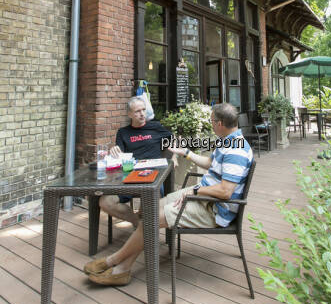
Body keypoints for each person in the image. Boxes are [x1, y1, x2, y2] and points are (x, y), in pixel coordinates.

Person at [84, 102, 253, 286]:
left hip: (214, 208)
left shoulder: (236, 150)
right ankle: (122, 269)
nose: (210, 124)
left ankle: (114, 263)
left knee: (151, 218)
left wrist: (196, 190)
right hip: (205, 197)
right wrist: (186, 153)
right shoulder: (229, 140)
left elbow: (225, 192)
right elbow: (210, 163)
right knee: (149, 211)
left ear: (220, 124)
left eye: (212, 121)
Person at [99, 96, 173, 227]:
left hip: (153, 178)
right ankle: (138, 223)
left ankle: (143, 226)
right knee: (105, 202)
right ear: (129, 114)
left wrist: (175, 158)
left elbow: (175, 143)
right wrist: (114, 151)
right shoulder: (123, 133)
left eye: (144, 110)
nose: (142, 113)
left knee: (150, 200)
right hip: (129, 178)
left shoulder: (156, 127)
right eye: (137, 111)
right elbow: (120, 157)